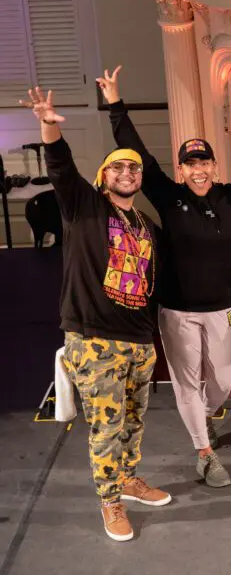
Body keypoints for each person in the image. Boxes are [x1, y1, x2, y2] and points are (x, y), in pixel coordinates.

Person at [26, 86, 170, 542]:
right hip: (94, 340)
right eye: (118, 167)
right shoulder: (84, 206)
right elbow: (60, 165)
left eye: (134, 168)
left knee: (133, 422)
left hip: (139, 340)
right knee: (106, 427)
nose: (127, 173)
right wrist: (49, 125)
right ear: (103, 175)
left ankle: (127, 480)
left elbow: (150, 282)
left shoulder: (146, 226)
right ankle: (110, 501)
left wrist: (151, 338)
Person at [98, 66, 231, 489]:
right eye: (190, 164)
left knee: (222, 382)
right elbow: (140, 155)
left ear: (214, 166)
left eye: (204, 163)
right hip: (178, 310)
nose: (198, 170)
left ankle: (205, 418)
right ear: (180, 170)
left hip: (222, 307)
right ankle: (205, 454)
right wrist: (116, 105)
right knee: (187, 383)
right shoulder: (169, 196)